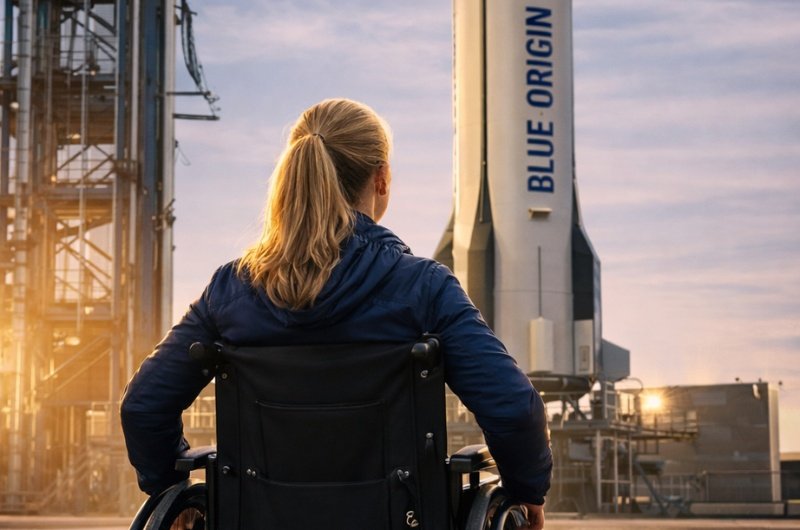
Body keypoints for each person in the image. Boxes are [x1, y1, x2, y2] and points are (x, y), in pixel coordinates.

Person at [120, 98, 551, 529]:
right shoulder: (425, 289)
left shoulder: (230, 291)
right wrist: (526, 491)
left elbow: (143, 407)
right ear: (381, 178)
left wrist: (168, 485)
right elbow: (514, 410)